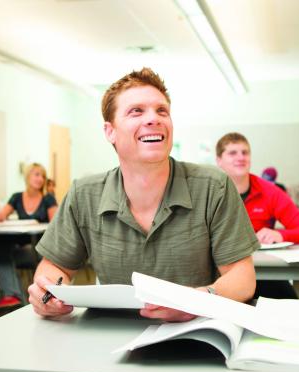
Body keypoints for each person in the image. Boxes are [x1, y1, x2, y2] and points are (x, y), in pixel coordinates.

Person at [28, 68, 258, 321]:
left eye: (162, 111)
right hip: (110, 336)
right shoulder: (84, 194)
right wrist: (45, 292)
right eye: (136, 111)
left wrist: (196, 301)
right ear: (110, 131)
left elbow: (242, 277)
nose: (154, 119)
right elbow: (55, 267)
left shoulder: (214, 187)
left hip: (197, 332)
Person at [216, 132, 299, 298]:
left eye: (245, 152)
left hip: (261, 272)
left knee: (292, 305)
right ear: (219, 160)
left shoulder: (269, 191)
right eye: (232, 153)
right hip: (218, 273)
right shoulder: (207, 192)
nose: (241, 157)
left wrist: (279, 234)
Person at [0, 163, 58, 312]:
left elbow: (56, 225)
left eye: (43, 176)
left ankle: (19, 299)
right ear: (27, 176)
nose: (40, 179)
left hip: (41, 249)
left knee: (6, 253)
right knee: (1, 249)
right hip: (21, 248)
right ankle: (14, 297)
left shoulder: (48, 199)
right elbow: (0, 216)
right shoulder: (16, 197)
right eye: (37, 174)